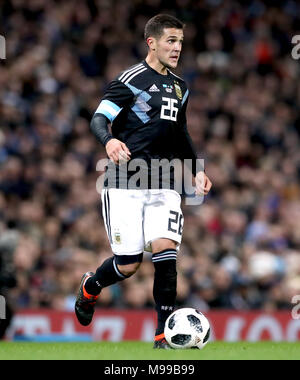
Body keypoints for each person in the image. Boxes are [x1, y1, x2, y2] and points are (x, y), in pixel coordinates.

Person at [75, 14, 212, 349]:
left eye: (180, 41)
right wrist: (108, 141)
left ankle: (162, 336)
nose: (177, 47)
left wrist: (197, 169)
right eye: (170, 41)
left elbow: (181, 134)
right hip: (124, 182)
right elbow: (98, 118)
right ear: (151, 42)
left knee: (166, 252)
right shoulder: (130, 80)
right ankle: (90, 287)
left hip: (164, 184)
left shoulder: (181, 87)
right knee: (129, 264)